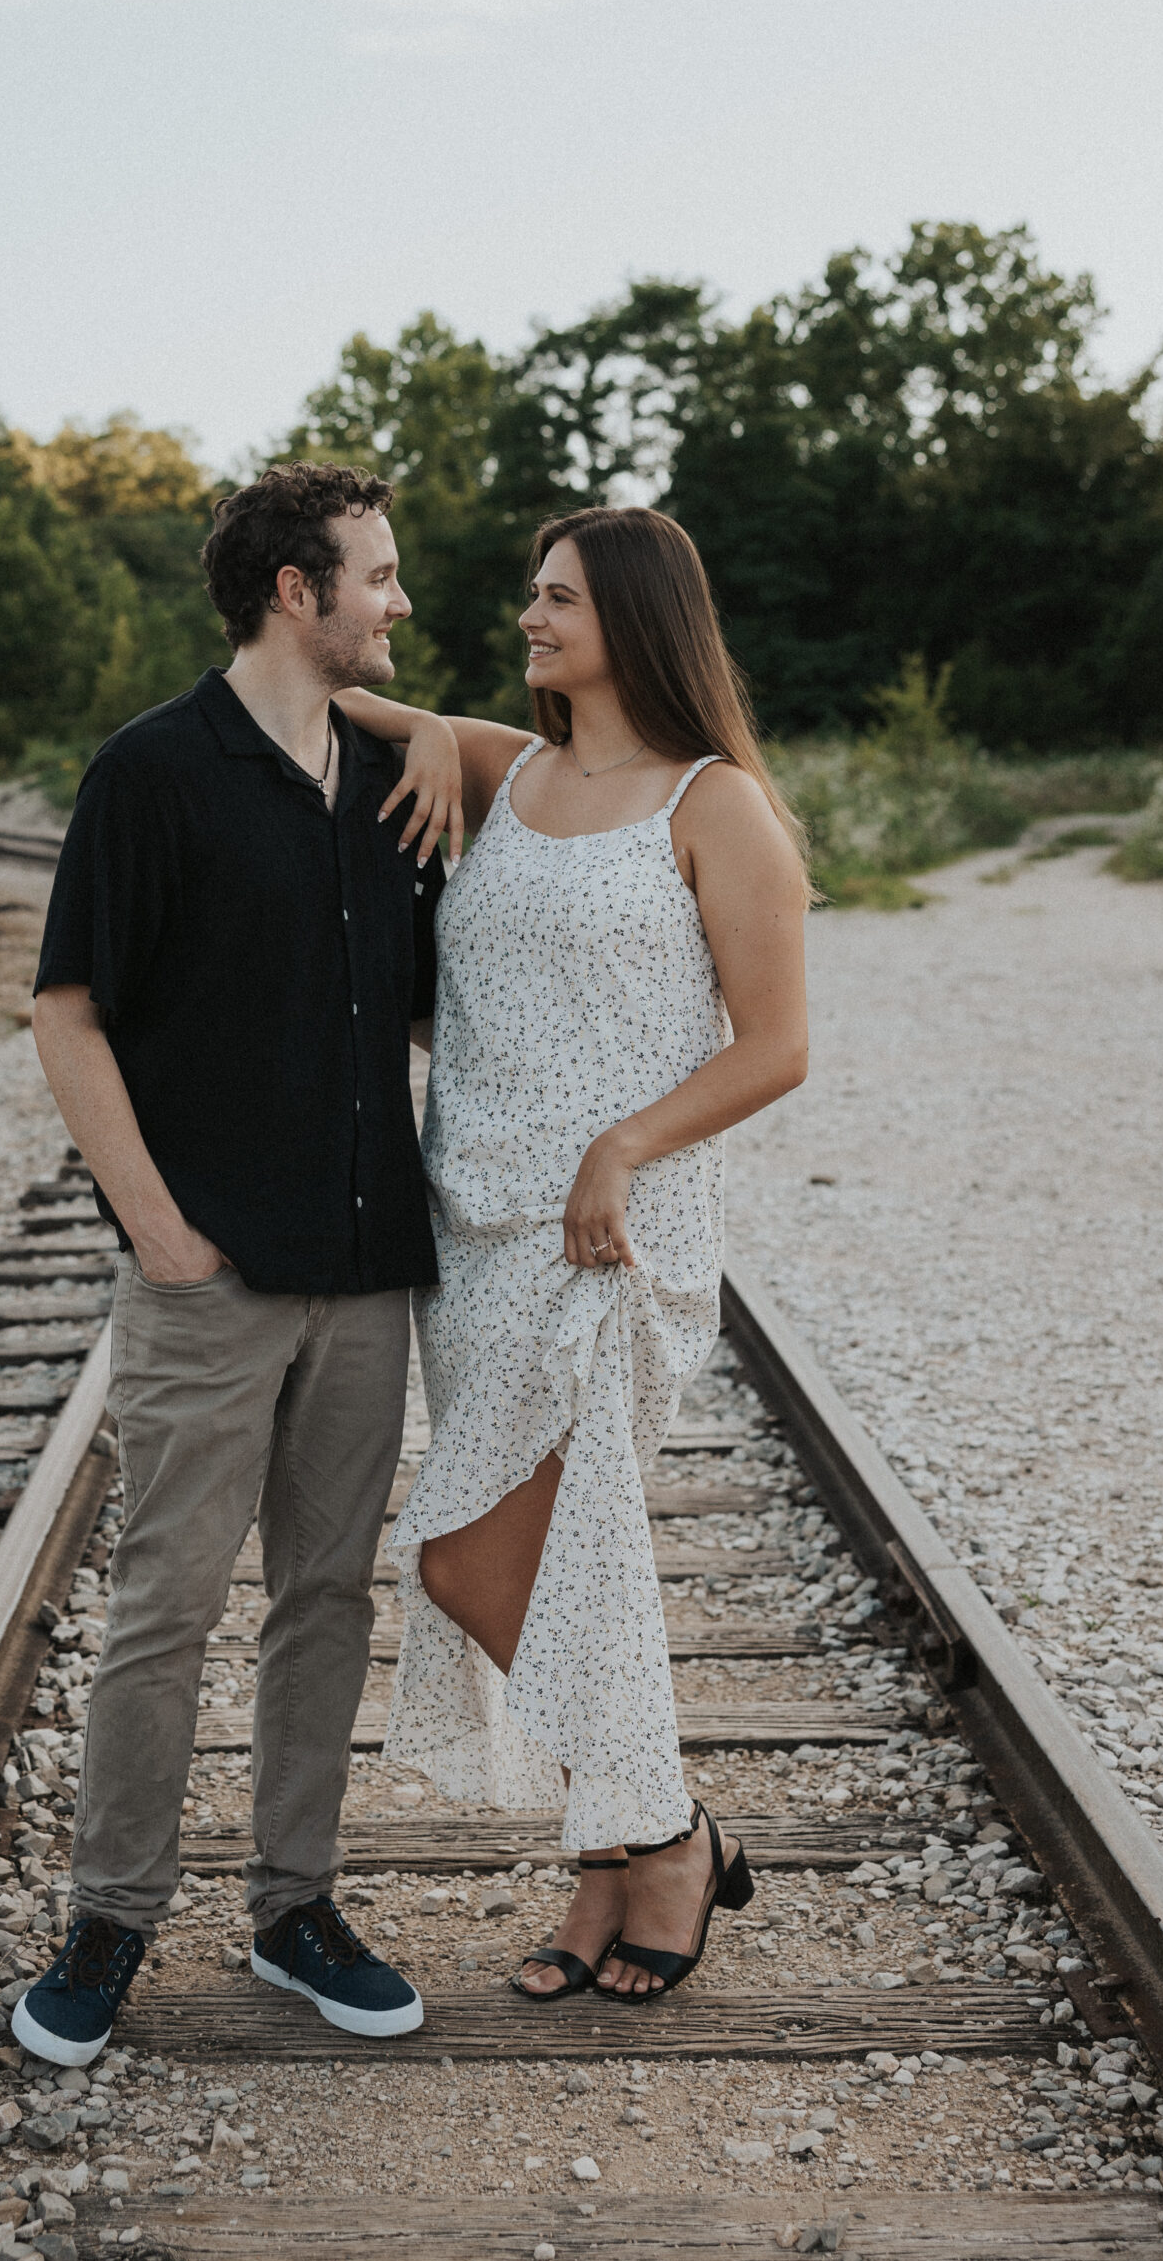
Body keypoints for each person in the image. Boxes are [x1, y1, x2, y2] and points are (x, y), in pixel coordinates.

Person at [13, 462, 460, 2065]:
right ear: (298, 590)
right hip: (212, 1272)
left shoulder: (397, 778)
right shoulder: (151, 772)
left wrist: (445, 750)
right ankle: (110, 1918)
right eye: (381, 578)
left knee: (326, 1598)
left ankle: (293, 1908)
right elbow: (67, 1010)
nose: (402, 604)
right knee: (166, 1606)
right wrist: (159, 1232)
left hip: (364, 1262)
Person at [337, 504, 811, 2002]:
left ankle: (657, 1834)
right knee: (536, 1565)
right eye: (530, 596)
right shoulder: (508, 763)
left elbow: (780, 1046)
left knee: (472, 1554)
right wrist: (416, 730)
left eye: (555, 599)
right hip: (471, 1219)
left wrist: (620, 1147)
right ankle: (628, 1852)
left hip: (608, 1232)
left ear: (635, 619)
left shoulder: (713, 802)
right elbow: (327, 691)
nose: (527, 618)